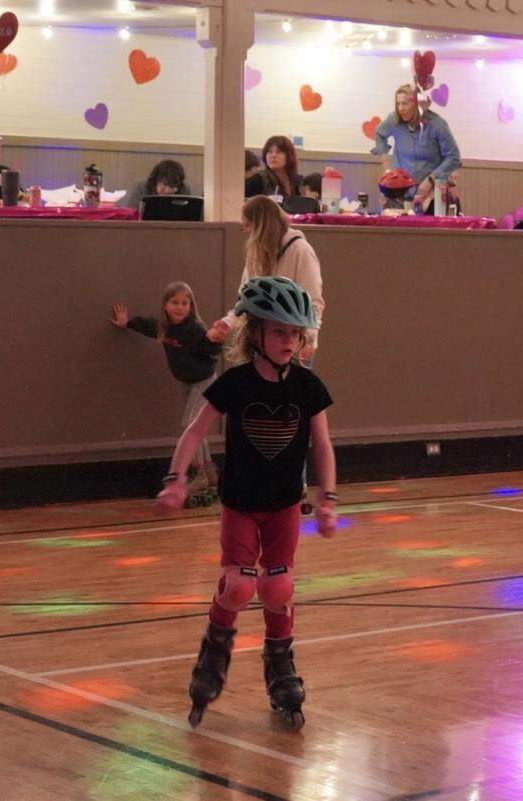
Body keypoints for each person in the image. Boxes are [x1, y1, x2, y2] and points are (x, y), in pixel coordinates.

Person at [157, 276, 338, 730]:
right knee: (238, 586)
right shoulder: (235, 383)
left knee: (278, 588)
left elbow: (322, 445)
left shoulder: (307, 386)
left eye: (295, 334)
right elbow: (195, 431)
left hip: (283, 508)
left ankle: (280, 664)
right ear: (254, 333)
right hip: (240, 504)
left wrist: (328, 498)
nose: (289, 342)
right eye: (279, 331)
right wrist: (176, 480)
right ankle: (213, 652)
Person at [110, 282, 221, 498]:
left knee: (191, 427)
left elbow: (210, 348)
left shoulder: (195, 329)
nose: (179, 307)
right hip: (187, 382)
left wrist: (215, 340)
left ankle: (200, 475)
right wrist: (127, 323)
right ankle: (209, 470)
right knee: (195, 427)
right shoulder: (164, 327)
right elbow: (148, 326)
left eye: (184, 303)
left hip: (204, 382)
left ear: (191, 306)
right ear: (165, 304)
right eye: (175, 302)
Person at [208, 196, 325, 361]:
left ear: (261, 226)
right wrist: (228, 322)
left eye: (248, 225)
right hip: (262, 340)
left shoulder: (300, 250)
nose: (246, 231)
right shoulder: (255, 252)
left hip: (292, 343)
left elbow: (313, 301)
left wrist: (309, 339)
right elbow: (247, 296)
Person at [371, 84, 462, 208]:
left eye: (405, 103)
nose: (400, 108)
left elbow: (454, 156)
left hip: (430, 195)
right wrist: (386, 164)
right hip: (399, 193)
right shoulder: (394, 120)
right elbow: (379, 133)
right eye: (398, 104)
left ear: (416, 104)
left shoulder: (437, 124)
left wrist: (431, 180)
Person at [121, 159, 189, 210]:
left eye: (172, 186)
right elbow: (131, 217)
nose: (167, 191)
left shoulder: (184, 190)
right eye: (164, 185)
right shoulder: (141, 189)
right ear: (155, 181)